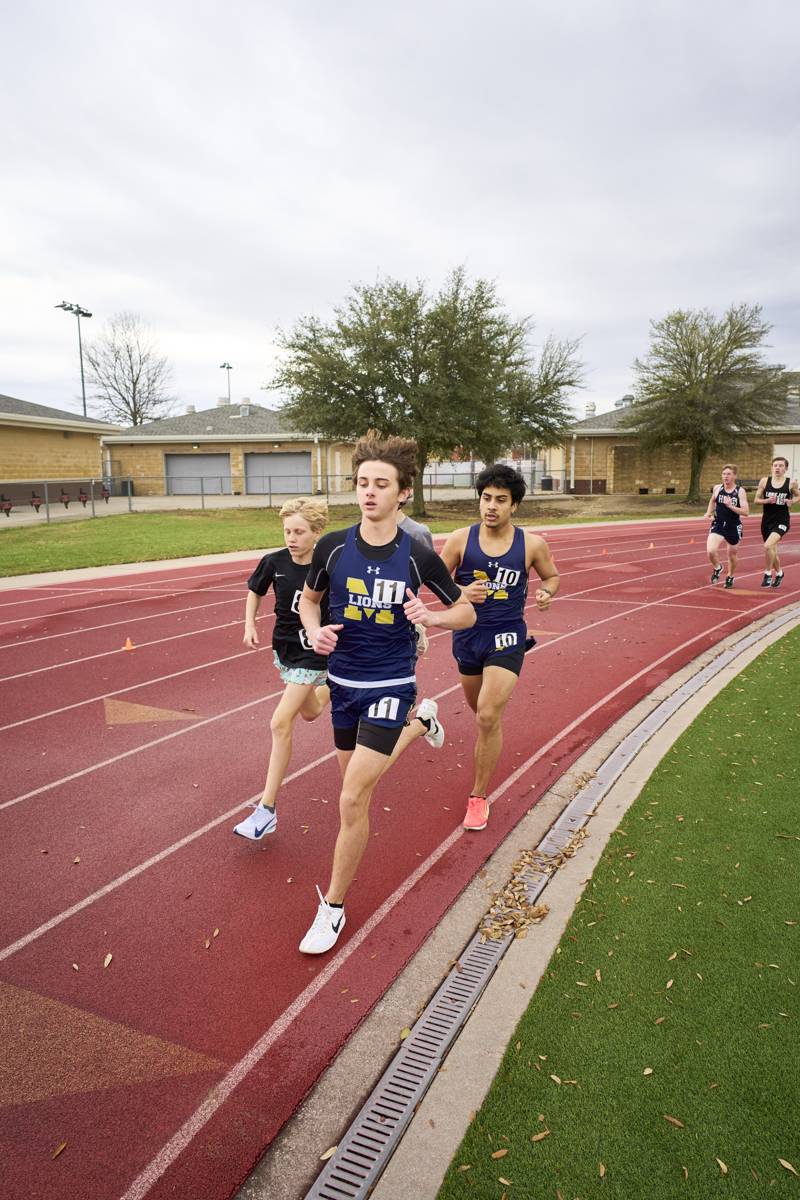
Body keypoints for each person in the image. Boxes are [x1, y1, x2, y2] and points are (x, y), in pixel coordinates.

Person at [296, 433, 476, 954]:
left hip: (391, 684)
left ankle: (331, 908)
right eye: (362, 483)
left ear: (402, 493)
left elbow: (466, 610)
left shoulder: (417, 555)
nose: (369, 492)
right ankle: (422, 726)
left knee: (351, 796)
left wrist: (433, 616)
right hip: (343, 687)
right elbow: (309, 602)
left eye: (381, 484)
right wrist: (314, 632)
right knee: (356, 795)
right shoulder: (332, 547)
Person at [439, 464, 560, 833]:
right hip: (467, 637)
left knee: (488, 716)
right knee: (480, 713)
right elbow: (438, 580)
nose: (491, 506)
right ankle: (488, 735)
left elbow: (552, 576)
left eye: (500, 500)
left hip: (507, 635)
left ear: (515, 506)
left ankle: (478, 797)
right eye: (486, 498)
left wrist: (545, 592)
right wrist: (459, 593)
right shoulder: (461, 540)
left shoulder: (532, 544)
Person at [233, 498, 331, 841]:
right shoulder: (273, 562)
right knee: (311, 713)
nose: (292, 537)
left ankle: (266, 811)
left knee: (280, 721)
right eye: (288, 531)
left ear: (316, 533)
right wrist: (249, 625)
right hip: (286, 649)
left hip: (316, 652)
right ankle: (331, 686)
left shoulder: (326, 566)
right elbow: (254, 592)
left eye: (299, 531)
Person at [754, 456, 799, 587]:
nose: (777, 468)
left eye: (780, 466)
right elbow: (756, 500)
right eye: (775, 465)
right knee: (771, 549)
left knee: (767, 546)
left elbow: (798, 496)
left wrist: (792, 501)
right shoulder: (764, 481)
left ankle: (767, 573)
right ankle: (779, 573)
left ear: (785, 469)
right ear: (772, 467)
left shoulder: (791, 483)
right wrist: (766, 501)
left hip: (782, 521)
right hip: (767, 521)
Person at [704, 464, 749, 589]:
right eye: (724, 474)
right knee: (711, 550)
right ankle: (718, 568)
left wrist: (731, 506)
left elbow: (746, 512)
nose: (726, 476)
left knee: (732, 554)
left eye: (729, 474)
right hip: (718, 524)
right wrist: (709, 512)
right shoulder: (718, 488)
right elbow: (712, 500)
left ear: (734, 476)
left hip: (733, 526)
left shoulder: (740, 491)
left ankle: (730, 576)